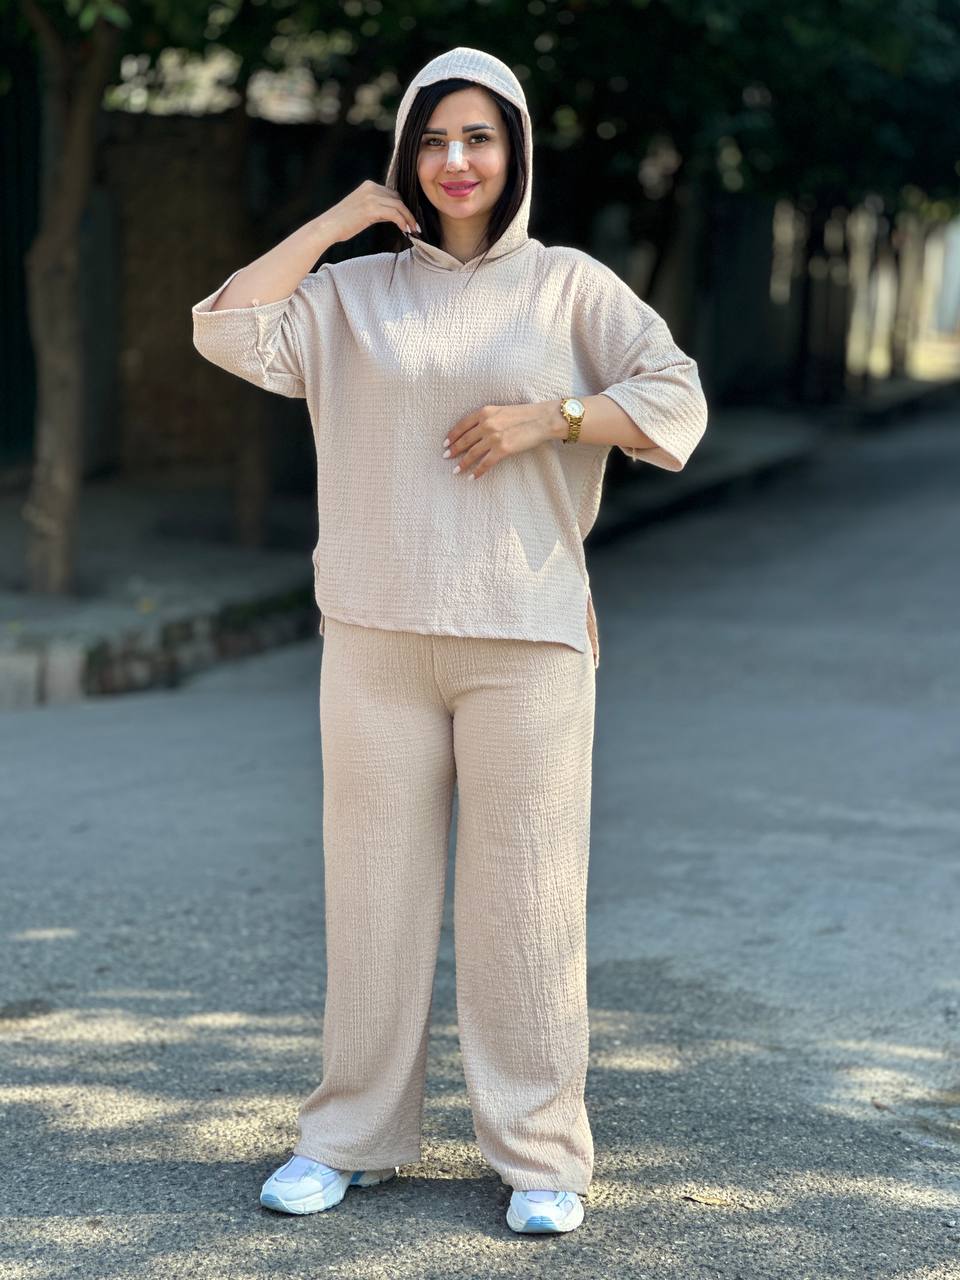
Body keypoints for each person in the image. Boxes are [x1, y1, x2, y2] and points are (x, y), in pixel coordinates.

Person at [191, 44, 708, 1236]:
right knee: (370, 900)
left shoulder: (568, 286)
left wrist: (555, 416)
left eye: (478, 136)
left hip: (524, 638)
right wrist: (338, 221)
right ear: (405, 156)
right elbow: (227, 326)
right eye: (432, 140)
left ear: (513, 149)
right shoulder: (354, 293)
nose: (455, 160)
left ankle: (540, 1152)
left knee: (524, 904)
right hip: (375, 637)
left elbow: (674, 398)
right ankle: (349, 1137)